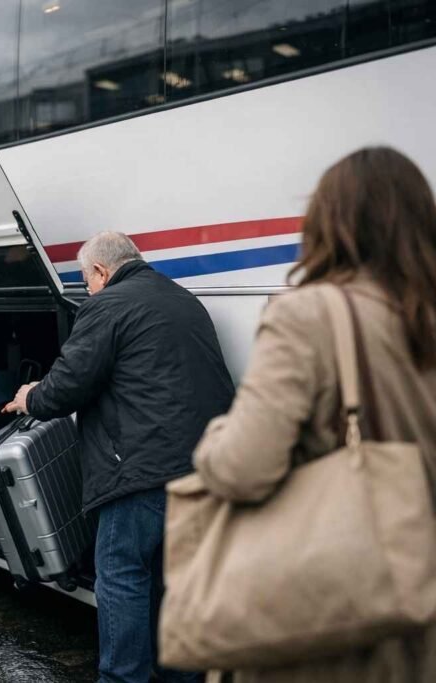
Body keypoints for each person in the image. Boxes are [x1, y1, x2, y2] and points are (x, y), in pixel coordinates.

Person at [191, 147, 436, 682]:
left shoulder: (311, 315)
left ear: (331, 224)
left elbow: (241, 467)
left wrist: (215, 434)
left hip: (335, 623)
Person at [4, 232, 234, 683]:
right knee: (173, 580)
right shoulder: (182, 298)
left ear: (101, 272)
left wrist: (32, 397)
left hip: (141, 470)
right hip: (205, 466)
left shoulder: (107, 304)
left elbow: (68, 384)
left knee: (123, 574)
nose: (87, 289)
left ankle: (123, 677)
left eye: (86, 280)